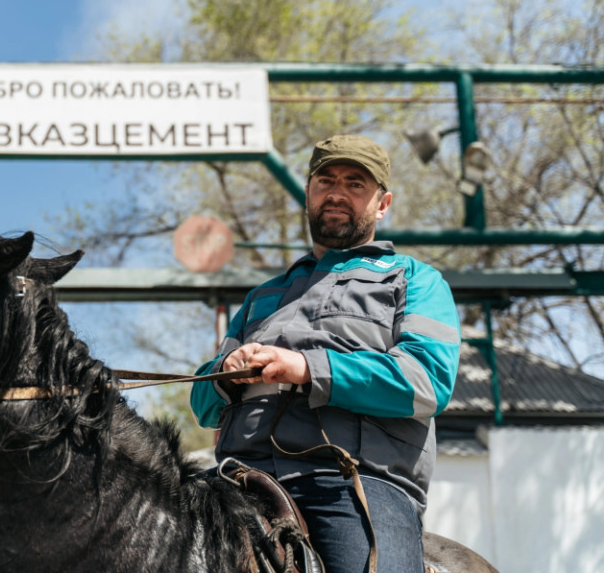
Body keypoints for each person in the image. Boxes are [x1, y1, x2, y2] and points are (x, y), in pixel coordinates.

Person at [191, 134, 461, 573]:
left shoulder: (413, 281)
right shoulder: (263, 295)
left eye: (356, 184)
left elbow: (426, 382)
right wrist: (223, 372)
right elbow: (202, 406)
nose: (337, 193)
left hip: (350, 483)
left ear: (382, 203)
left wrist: (306, 368)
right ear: (309, 195)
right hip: (235, 481)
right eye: (326, 181)